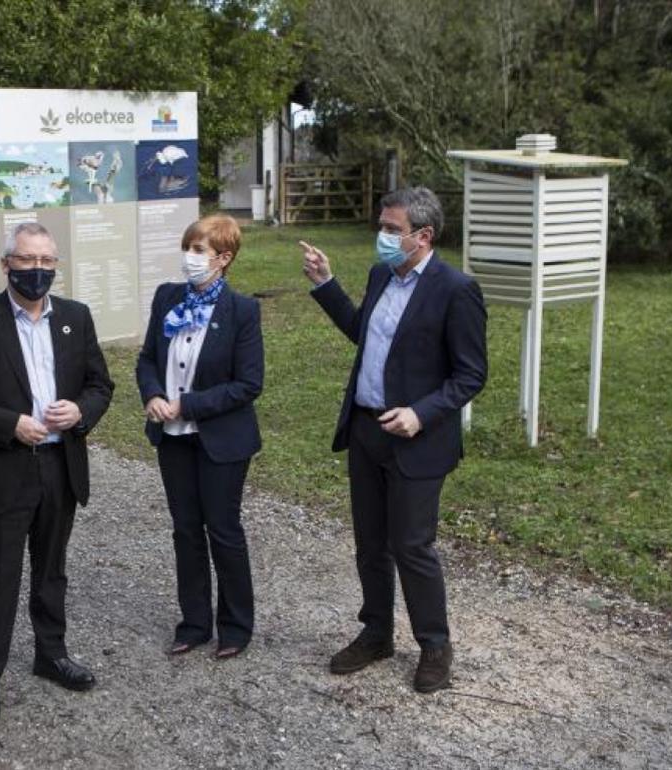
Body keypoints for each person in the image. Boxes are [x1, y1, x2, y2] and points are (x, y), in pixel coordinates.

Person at [301, 187, 487, 693]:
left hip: (416, 440)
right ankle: (377, 632)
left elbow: (471, 375)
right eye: (380, 227)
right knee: (370, 543)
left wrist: (421, 415)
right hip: (366, 430)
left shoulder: (456, 290)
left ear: (423, 236)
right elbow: (366, 331)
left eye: (391, 230)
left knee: (412, 544)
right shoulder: (382, 273)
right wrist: (326, 285)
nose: (382, 237)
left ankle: (434, 645)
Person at [0, 221, 114, 724]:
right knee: (1, 573)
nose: (37, 271)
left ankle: (51, 654)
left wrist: (81, 411)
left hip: (61, 464)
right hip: (4, 468)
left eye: (46, 262)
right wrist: (10, 424)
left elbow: (101, 384)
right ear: (6, 264)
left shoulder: (76, 318)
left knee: (52, 567)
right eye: (27, 261)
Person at [136, 214, 264, 660]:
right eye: (187, 248)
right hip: (172, 437)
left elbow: (248, 384)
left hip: (221, 439)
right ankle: (194, 623)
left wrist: (187, 405)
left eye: (199, 250)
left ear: (223, 258)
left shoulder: (242, 311)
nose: (189, 258)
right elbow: (148, 357)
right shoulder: (167, 298)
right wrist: (152, 393)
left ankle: (236, 626)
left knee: (223, 530)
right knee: (186, 530)